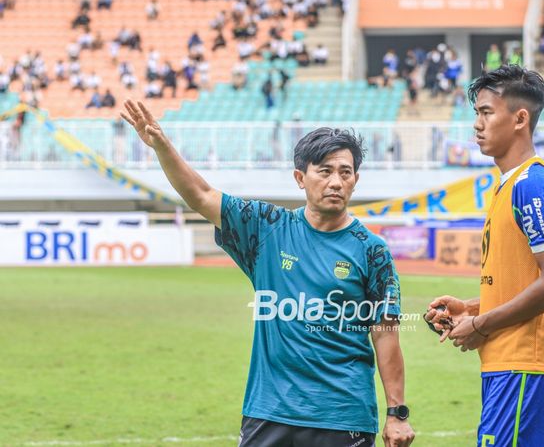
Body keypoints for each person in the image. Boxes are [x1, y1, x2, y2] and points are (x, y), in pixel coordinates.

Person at [119, 100, 416, 447]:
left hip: (342, 414)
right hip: (269, 412)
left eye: (345, 172)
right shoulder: (266, 228)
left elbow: (386, 334)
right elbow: (201, 196)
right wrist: (162, 146)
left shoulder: (372, 250)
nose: (336, 181)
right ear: (300, 178)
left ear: (355, 180)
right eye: (325, 171)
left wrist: (397, 413)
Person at [425, 65, 544, 447]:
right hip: (509, 364)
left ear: (520, 118)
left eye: (487, 112)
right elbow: (522, 279)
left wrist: (483, 325)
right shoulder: (507, 186)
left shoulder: (532, 184)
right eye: (476, 113)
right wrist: (473, 310)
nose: (477, 123)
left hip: (527, 364)